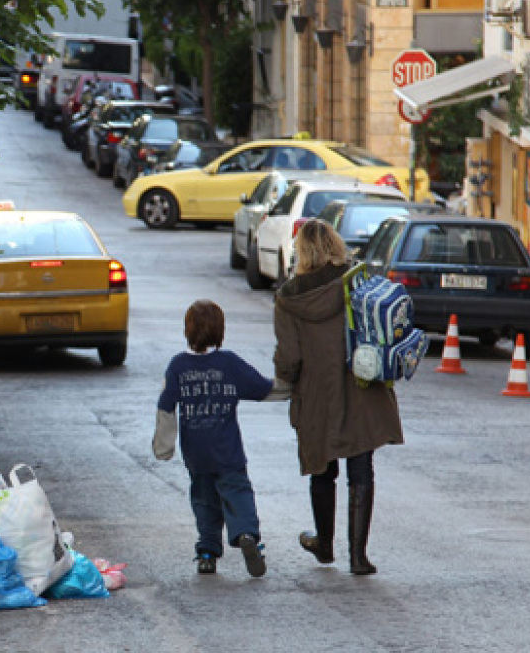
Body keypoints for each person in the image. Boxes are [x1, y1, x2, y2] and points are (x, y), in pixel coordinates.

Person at [273, 219, 404, 575]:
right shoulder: (357, 280)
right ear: (335, 244)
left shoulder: (290, 298)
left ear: (302, 250)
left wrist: (284, 380)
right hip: (361, 385)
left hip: (317, 393)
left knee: (322, 469)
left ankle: (325, 544)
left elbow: (290, 359)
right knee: (361, 469)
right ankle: (359, 556)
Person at [153, 300, 289, 577]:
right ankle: (246, 535)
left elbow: (166, 406)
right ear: (220, 331)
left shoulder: (178, 366)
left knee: (204, 500)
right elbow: (262, 387)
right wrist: (292, 388)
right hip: (227, 451)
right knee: (238, 492)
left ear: (187, 330)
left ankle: (206, 552)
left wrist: (163, 446)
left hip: (196, 453)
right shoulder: (228, 363)